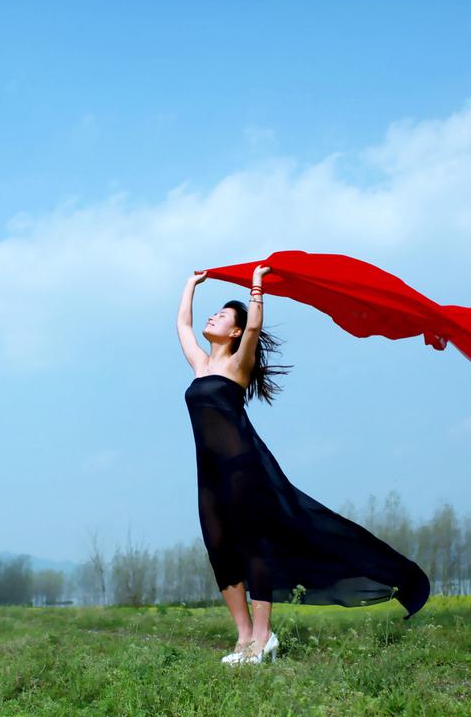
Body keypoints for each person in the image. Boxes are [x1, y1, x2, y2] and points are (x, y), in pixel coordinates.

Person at [177, 264, 431, 666]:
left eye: (222, 315)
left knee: (254, 544)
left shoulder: (237, 365)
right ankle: (243, 637)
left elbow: (255, 326)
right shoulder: (200, 365)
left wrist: (256, 285)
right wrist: (191, 285)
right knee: (219, 548)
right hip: (208, 476)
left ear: (235, 332)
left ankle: (263, 638)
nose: (213, 317)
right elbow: (183, 325)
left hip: (243, 468)